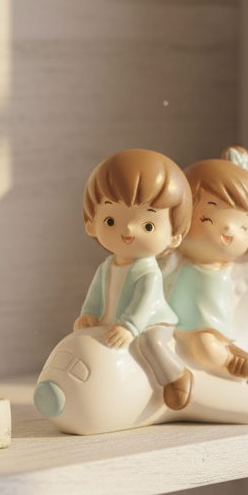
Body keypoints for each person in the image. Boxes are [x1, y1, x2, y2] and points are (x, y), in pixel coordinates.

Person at [76, 149, 194, 410]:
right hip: (115, 323)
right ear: (91, 223)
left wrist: (129, 327)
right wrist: (89, 314)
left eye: (148, 226)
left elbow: (144, 303)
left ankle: (176, 376)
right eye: (110, 220)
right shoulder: (106, 267)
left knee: (149, 343)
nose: (128, 229)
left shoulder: (148, 272)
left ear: (174, 236)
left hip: (152, 323)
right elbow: (96, 295)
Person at [167, 147, 248, 380]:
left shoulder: (229, 267)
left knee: (205, 347)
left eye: (243, 227)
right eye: (207, 217)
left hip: (208, 323)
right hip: (171, 321)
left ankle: (229, 360)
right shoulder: (172, 259)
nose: (228, 228)